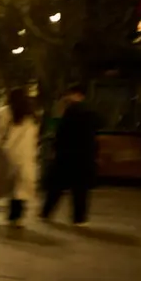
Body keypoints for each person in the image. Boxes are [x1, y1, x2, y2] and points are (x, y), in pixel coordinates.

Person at [0, 88, 39, 225]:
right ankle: (16, 217)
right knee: (19, 189)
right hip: (25, 156)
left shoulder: (3, 112)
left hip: (4, 155)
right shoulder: (33, 116)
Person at [41, 85, 99, 225]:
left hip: (67, 155)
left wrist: (56, 147)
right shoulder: (92, 111)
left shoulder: (71, 111)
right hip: (85, 155)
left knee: (56, 186)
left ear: (76, 95)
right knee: (81, 190)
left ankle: (46, 212)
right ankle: (79, 218)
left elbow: (62, 132)